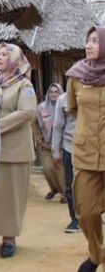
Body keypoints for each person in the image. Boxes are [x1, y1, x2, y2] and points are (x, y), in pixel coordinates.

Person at [0, 42, 36, 258]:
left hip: (15, 151)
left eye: (5, 54)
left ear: (14, 60)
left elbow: (27, 112)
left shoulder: (24, 86)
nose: (0, 57)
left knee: (12, 196)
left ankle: (9, 237)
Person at [65, 26, 105, 272]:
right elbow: (73, 108)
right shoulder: (76, 76)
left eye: (95, 41)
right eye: (87, 41)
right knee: (86, 212)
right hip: (85, 153)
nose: (89, 45)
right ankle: (97, 254)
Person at [51, 85, 79, 233]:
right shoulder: (63, 100)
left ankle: (93, 216)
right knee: (70, 185)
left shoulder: (95, 94)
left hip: (93, 147)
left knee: (94, 185)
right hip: (70, 147)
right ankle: (75, 219)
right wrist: (55, 152)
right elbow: (58, 126)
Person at [36, 83, 66, 203]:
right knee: (48, 169)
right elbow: (33, 122)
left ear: (60, 93)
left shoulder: (65, 106)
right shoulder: (42, 108)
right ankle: (54, 189)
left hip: (62, 145)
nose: (53, 94)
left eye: (56, 92)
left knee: (61, 170)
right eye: (51, 92)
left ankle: (64, 193)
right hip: (47, 145)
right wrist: (37, 136)